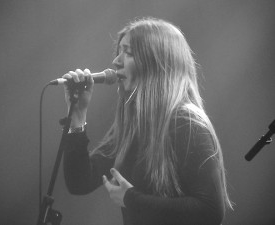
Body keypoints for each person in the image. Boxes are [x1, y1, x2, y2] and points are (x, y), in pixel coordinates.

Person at [62, 17, 233, 225]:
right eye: (119, 51)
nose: (116, 61)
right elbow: (80, 181)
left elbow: (210, 212)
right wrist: (77, 115)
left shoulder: (186, 122)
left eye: (129, 53)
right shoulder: (134, 124)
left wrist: (131, 199)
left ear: (156, 64)